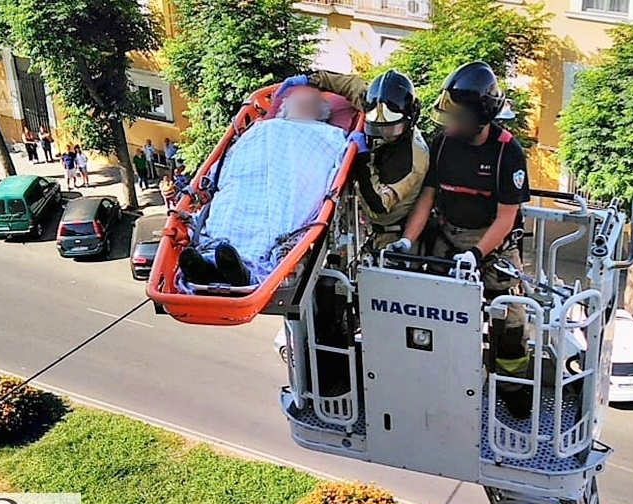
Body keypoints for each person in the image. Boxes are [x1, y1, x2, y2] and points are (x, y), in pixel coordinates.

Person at [388, 61, 532, 418]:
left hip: (493, 247)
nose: (453, 126)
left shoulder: (506, 153)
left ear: (480, 119)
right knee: (442, 318)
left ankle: (513, 392)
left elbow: (505, 217)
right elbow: (428, 197)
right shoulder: (444, 144)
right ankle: (445, 384)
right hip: (448, 241)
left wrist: (476, 254)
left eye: (460, 120)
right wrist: (408, 241)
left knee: (511, 324)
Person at [178, 85, 349, 290]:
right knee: (229, 210)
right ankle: (204, 268)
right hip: (246, 186)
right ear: (284, 109)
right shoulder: (262, 128)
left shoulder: (328, 136)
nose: (304, 106)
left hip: (286, 192)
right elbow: (231, 161)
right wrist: (213, 181)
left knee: (274, 224)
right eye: (299, 102)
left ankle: (242, 271)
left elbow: (330, 169)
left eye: (311, 103)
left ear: (321, 113)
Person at [278, 69, 429, 250]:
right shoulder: (375, 105)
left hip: (389, 229)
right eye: (377, 127)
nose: (384, 134)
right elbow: (349, 85)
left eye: (391, 129)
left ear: (410, 119)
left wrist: (362, 159)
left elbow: (379, 203)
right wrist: (311, 79)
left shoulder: (413, 159)